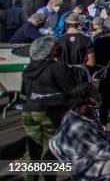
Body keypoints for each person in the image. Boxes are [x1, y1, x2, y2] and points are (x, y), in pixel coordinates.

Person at [22, 36, 76, 165]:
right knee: (50, 149)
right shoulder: (57, 68)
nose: (58, 49)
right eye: (55, 47)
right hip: (51, 111)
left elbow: (24, 91)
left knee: (32, 149)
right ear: (49, 51)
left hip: (29, 109)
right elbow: (72, 90)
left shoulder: (29, 68)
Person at [57, 13, 95, 79]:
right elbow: (91, 62)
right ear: (79, 24)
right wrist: (81, 64)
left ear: (67, 24)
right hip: (81, 74)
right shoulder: (86, 39)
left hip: (63, 74)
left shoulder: (59, 39)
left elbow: (55, 59)